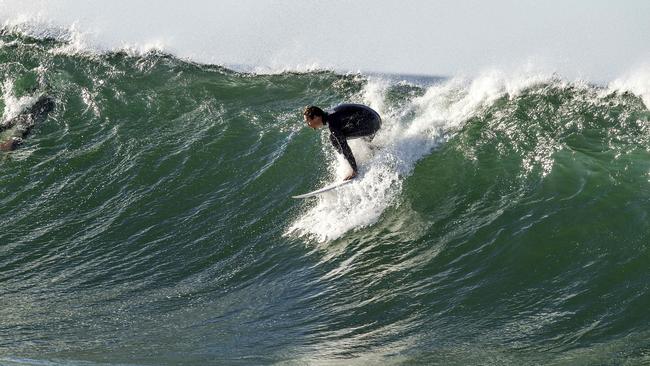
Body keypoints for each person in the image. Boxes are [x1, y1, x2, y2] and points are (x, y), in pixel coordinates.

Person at [303, 104, 381, 180]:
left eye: (308, 121)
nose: (308, 125)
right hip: (375, 118)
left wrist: (354, 170)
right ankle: (373, 148)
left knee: (334, 139)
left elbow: (344, 147)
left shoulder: (332, 122)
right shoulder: (329, 114)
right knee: (337, 135)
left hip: (372, 123)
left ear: (316, 117)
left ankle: (354, 168)